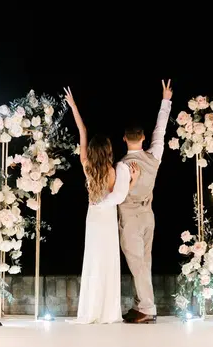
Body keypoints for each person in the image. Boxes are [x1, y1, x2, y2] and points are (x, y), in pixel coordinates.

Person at [64, 86, 141, 324]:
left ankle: (91, 309)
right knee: (107, 262)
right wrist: (134, 181)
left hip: (93, 219)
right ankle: (108, 311)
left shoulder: (86, 165)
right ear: (108, 150)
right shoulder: (113, 171)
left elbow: (82, 129)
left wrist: (73, 106)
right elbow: (118, 197)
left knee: (93, 261)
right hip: (107, 220)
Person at [119, 79, 172, 324]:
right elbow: (160, 132)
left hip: (130, 219)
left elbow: (117, 195)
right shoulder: (153, 157)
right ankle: (142, 305)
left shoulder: (120, 166)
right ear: (142, 138)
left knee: (138, 264)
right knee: (144, 263)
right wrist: (165, 101)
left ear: (124, 138)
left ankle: (147, 308)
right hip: (148, 216)